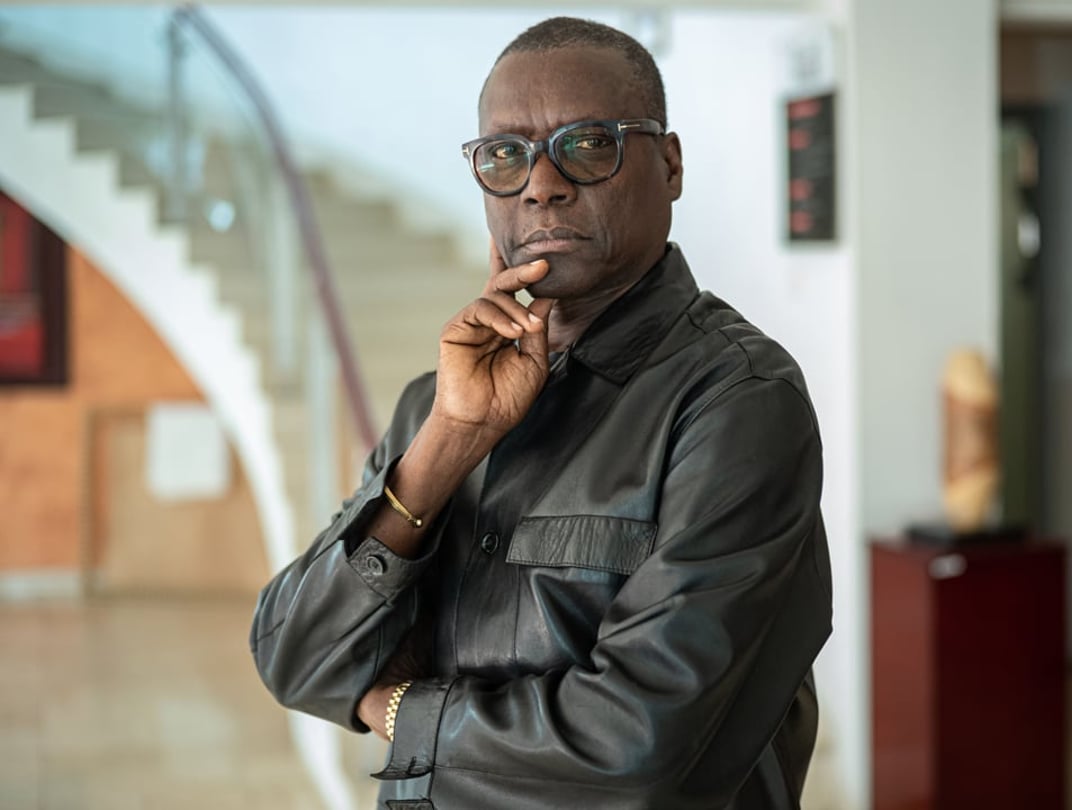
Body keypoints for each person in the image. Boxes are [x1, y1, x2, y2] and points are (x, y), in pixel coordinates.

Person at [251, 16, 832, 809]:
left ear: (668, 165)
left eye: (588, 144)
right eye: (505, 155)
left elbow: (633, 742)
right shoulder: (439, 400)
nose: (540, 183)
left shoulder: (738, 400)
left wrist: (393, 707)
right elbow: (293, 654)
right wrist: (452, 440)